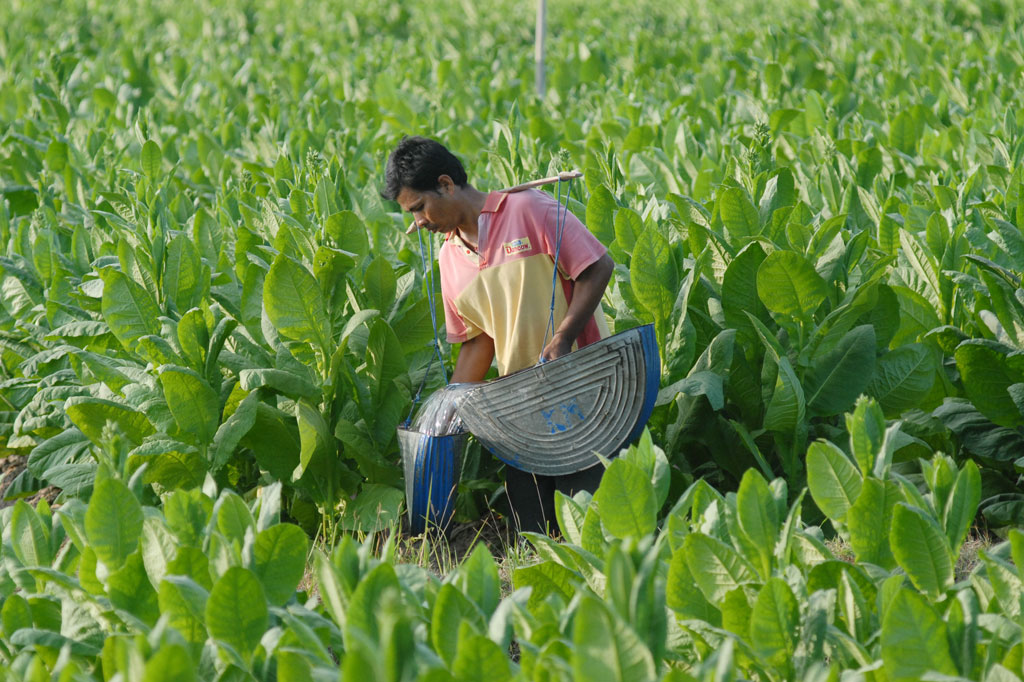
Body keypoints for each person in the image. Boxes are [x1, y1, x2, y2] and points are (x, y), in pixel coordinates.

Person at [381, 136, 614, 535]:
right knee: (534, 535)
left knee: (593, 531)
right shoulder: (450, 257)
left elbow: (597, 268)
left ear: (447, 184)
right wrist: (449, 408)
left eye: (419, 208)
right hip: (521, 407)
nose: (417, 222)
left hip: (585, 390)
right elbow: (478, 340)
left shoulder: (529, 210)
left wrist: (561, 338)